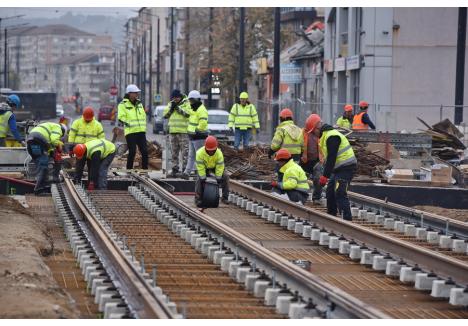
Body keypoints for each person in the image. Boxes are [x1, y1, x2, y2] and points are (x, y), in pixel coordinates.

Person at [309, 116, 357, 221]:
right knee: (330, 192)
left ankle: (347, 221)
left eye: (313, 132)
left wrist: (325, 176)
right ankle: (332, 218)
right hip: (338, 168)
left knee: (340, 192)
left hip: (346, 167)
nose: (314, 135)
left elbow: (332, 157)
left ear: (317, 128)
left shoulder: (332, 136)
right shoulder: (325, 136)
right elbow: (328, 159)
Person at [26, 122, 66, 194]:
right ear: (62, 130)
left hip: (30, 139)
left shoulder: (48, 125)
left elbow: (48, 144)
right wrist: (59, 146)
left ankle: (42, 185)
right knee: (44, 165)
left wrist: (51, 152)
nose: (60, 136)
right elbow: (54, 140)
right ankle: (38, 189)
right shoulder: (57, 127)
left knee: (40, 160)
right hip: (39, 138)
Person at [69, 107, 105, 182]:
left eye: (89, 119)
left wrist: (100, 152)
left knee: (92, 168)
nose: (87, 120)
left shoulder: (97, 125)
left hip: (92, 150)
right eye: (86, 119)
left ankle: (91, 183)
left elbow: (102, 139)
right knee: (79, 166)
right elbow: (71, 135)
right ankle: (77, 181)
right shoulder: (77, 123)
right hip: (79, 149)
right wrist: (71, 148)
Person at [118, 84, 149, 170]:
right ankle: (129, 170)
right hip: (131, 132)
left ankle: (145, 170)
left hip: (141, 131)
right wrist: (129, 123)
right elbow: (121, 117)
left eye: (137, 93)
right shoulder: (122, 104)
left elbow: (143, 115)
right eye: (135, 93)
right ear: (129, 93)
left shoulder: (139, 103)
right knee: (132, 152)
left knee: (145, 151)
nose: (137, 94)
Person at [163, 89, 192, 177]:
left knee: (185, 153)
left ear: (180, 97)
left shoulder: (186, 103)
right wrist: (171, 109)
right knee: (174, 152)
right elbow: (165, 115)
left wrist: (178, 109)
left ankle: (184, 170)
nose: (175, 100)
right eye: (173, 98)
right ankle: (175, 170)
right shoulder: (170, 103)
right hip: (173, 132)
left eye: (176, 98)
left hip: (183, 132)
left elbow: (188, 114)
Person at [195, 136, 230, 206]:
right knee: (199, 179)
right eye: (209, 150)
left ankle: (224, 198)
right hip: (204, 167)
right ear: (205, 147)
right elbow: (200, 166)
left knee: (225, 176)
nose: (211, 151)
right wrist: (203, 177)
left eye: (212, 150)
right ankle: (198, 199)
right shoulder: (199, 153)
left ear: (216, 148)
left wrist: (218, 177)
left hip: (215, 167)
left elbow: (220, 166)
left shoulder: (219, 153)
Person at [183, 90, 208, 179]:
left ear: (197, 100)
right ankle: (187, 172)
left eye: (192, 100)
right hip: (192, 136)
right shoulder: (193, 108)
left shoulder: (201, 109)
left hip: (199, 136)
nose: (190, 102)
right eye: (190, 100)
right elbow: (187, 113)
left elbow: (203, 123)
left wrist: (197, 130)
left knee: (199, 156)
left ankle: (199, 173)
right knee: (191, 156)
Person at [301, 114, 323, 204]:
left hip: (316, 161)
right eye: (318, 128)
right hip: (304, 162)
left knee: (318, 178)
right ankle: (300, 196)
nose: (319, 129)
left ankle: (316, 197)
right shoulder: (302, 134)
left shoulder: (321, 135)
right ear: (312, 127)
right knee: (300, 179)